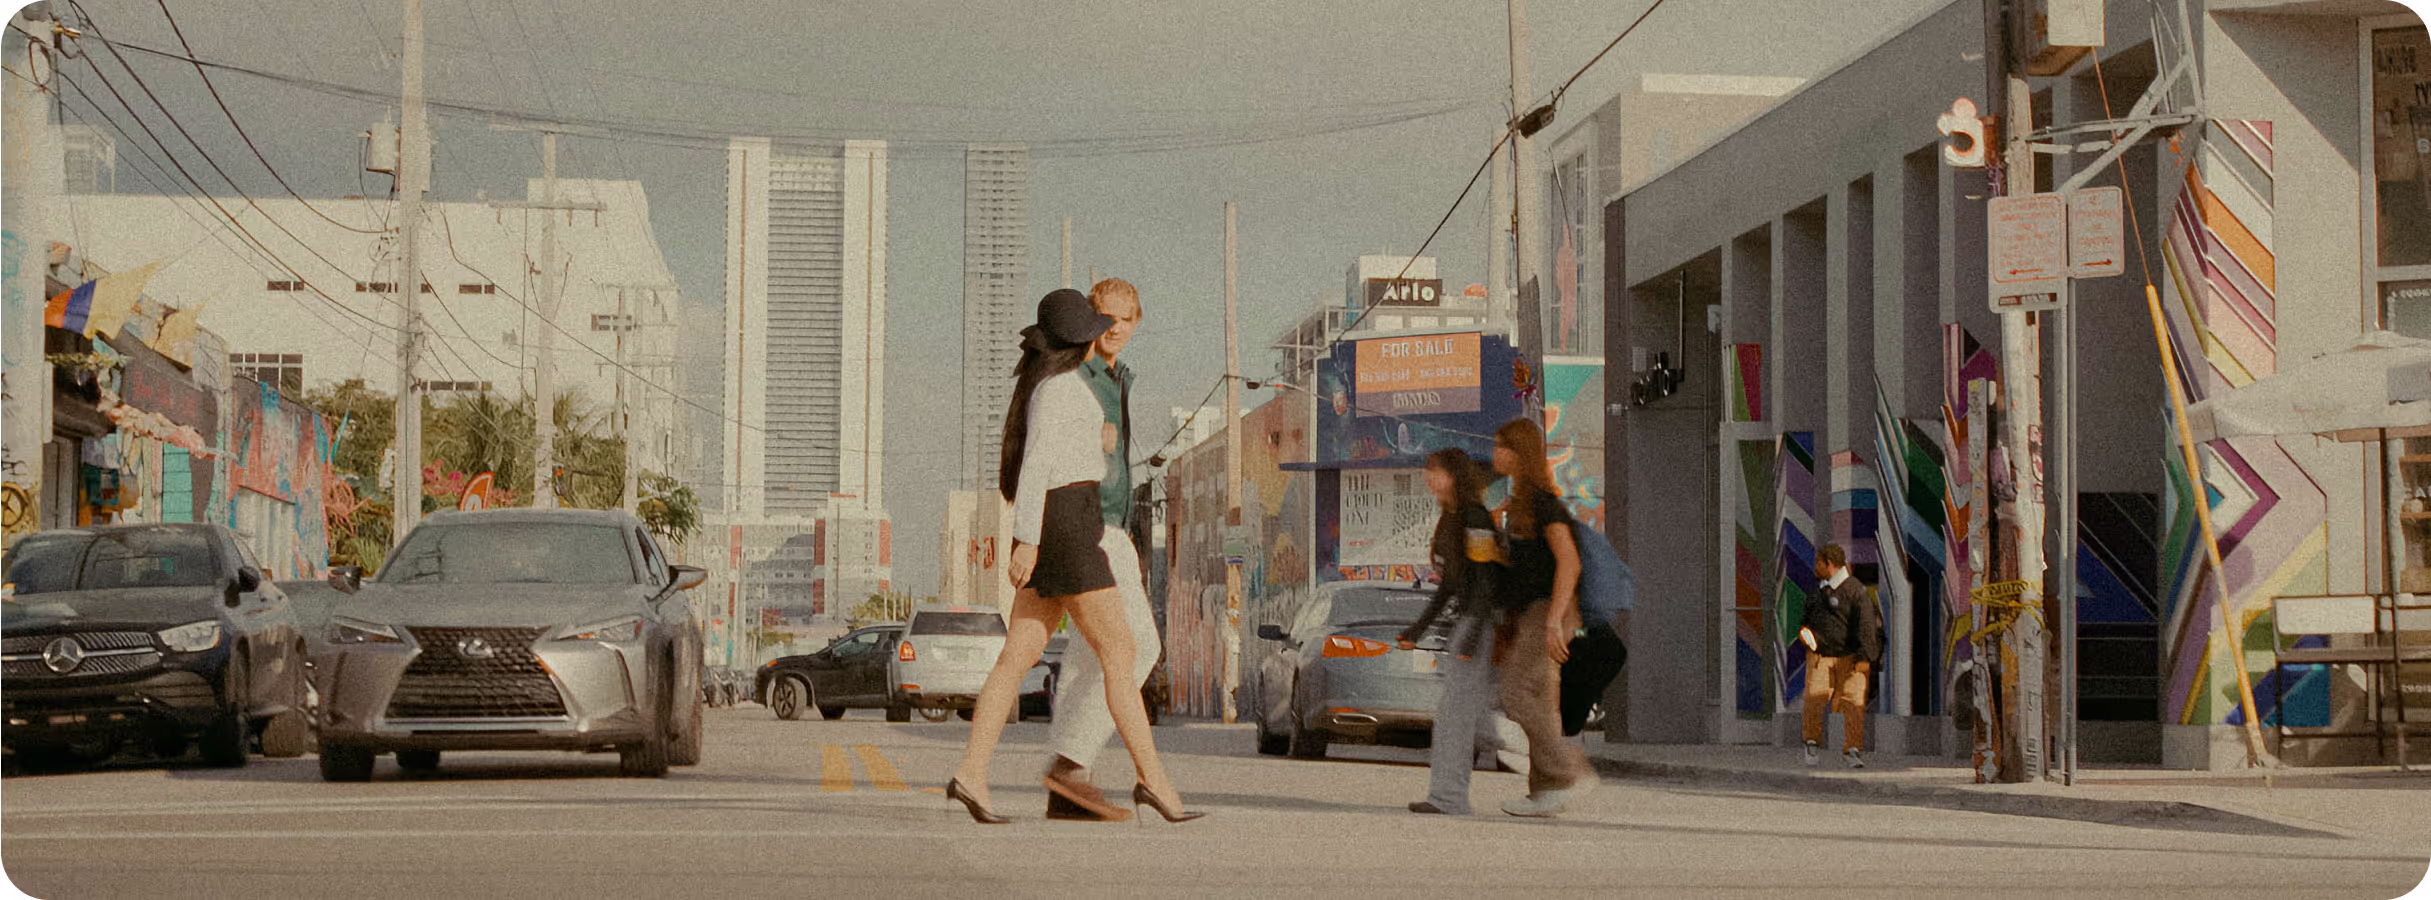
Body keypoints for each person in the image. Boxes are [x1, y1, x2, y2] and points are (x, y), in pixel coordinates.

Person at [946, 288, 1201, 826]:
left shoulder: (1049, 387)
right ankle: (1153, 784)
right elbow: (1039, 467)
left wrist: (1101, 448)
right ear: (1077, 339)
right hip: (1069, 531)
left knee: (1018, 657)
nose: (1101, 331)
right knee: (1122, 652)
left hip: (1063, 528)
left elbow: (1056, 459)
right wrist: (1029, 541)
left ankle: (971, 774)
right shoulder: (1063, 389)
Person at [1039, 279, 1160, 822]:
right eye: (1107, 316)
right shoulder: (1078, 377)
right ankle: (1069, 765)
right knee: (1137, 646)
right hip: (1090, 526)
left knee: (1093, 655)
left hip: (1112, 528)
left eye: (1127, 319)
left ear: (1137, 322)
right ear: (1091, 318)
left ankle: (1068, 780)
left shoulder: (1114, 377)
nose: (1117, 327)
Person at [1490, 417, 1600, 818]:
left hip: (1548, 611)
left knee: (1516, 692)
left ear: (1520, 453)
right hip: (1531, 611)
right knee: (1537, 699)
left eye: (1501, 446)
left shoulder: (1542, 502)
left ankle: (1565, 770)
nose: (1495, 452)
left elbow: (1568, 561)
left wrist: (1555, 620)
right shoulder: (1519, 502)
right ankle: (1544, 791)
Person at [1398, 448, 1510, 816]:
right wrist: (1416, 630)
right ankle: (1546, 754)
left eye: (1435, 470)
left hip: (1475, 623)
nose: (1428, 476)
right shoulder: (1449, 518)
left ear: (1453, 475)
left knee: (1454, 718)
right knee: (1471, 717)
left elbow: (1485, 579)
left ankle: (1448, 798)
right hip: (1466, 621)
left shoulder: (1474, 516)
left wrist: (1474, 634)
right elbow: (1448, 584)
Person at [1799, 543, 1881, 768]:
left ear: (1829, 564)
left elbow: (1866, 624)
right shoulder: (1817, 592)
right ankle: (1812, 743)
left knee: (1854, 703)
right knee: (1814, 699)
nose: (1815, 567)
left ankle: (1852, 750)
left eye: (1818, 563)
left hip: (1851, 658)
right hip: (1821, 657)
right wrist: (1806, 636)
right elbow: (1806, 620)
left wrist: (1865, 657)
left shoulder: (1855, 589)